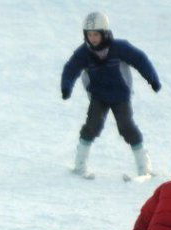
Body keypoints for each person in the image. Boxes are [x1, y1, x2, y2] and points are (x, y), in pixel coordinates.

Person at [61, 12, 161, 180]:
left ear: (105, 33)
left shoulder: (119, 48)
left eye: (96, 34)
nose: (92, 38)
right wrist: (66, 87)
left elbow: (140, 60)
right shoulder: (84, 52)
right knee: (91, 126)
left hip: (120, 96)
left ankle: (144, 167)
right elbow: (71, 68)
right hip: (98, 96)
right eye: (89, 35)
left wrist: (152, 79)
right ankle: (79, 166)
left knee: (126, 127)